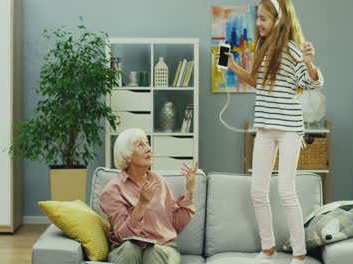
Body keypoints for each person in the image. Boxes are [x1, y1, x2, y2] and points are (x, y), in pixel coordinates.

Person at [220, 0, 324, 263]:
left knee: (286, 191)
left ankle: (299, 254)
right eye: (257, 18)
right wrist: (233, 67)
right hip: (265, 128)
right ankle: (268, 249)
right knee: (258, 191)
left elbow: (310, 82)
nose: (258, 24)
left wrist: (310, 64)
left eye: (263, 19)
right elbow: (260, 82)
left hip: (289, 128)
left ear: (278, 19)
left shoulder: (291, 48)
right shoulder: (263, 47)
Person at [99, 128, 198, 264]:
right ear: (127, 156)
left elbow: (174, 223)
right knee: (130, 249)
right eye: (141, 145)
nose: (149, 149)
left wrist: (190, 192)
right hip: (126, 250)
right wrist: (141, 204)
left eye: (147, 143)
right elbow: (123, 236)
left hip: (163, 248)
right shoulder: (112, 190)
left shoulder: (160, 182)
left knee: (153, 253)